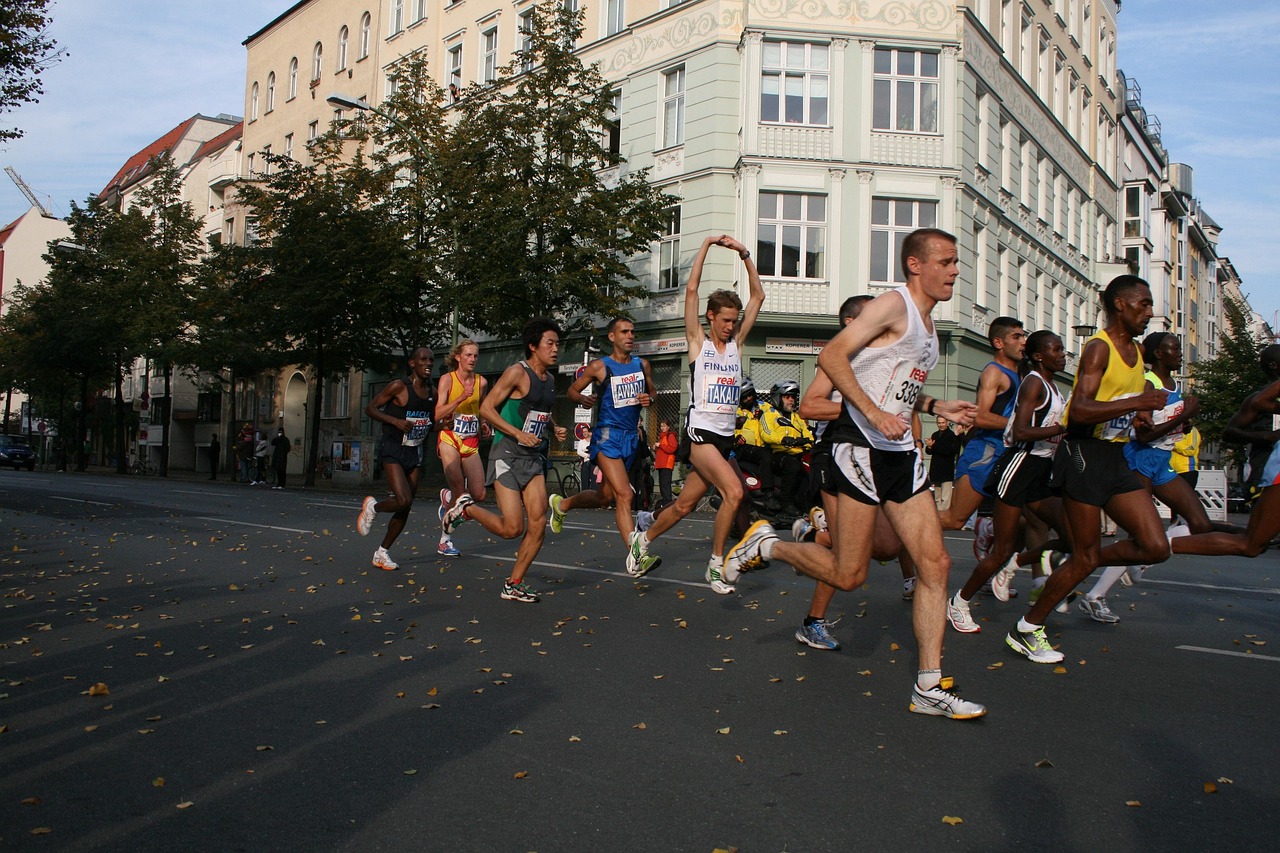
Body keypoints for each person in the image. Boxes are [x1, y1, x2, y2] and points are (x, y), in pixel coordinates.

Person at [722, 228, 986, 720]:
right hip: (860, 449)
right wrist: (870, 412)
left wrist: (934, 404)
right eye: (947, 262)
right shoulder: (892, 305)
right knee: (850, 574)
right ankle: (768, 546)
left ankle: (929, 685)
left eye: (956, 262)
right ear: (915, 265)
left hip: (900, 453)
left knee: (936, 566)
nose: (955, 271)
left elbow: (896, 388)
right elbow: (830, 357)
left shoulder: (928, 326)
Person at [1003, 275, 1172, 663]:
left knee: (1155, 546)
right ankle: (1027, 629)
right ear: (1120, 305)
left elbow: (1126, 405)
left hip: (1114, 457)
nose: (1149, 312)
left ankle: (1072, 557)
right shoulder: (1099, 348)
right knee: (1085, 557)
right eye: (1143, 304)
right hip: (1083, 455)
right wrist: (1136, 403)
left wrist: (1143, 416)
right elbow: (1078, 411)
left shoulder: (1137, 355)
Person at [627, 235, 764, 594]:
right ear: (711, 317)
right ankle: (716, 566)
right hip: (700, 435)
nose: (730, 326)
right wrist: (706, 244)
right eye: (725, 320)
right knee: (734, 493)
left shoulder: (736, 345)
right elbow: (690, 290)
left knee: (685, 505)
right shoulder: (698, 343)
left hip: (722, 440)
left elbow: (759, 296)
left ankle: (644, 537)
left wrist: (744, 254)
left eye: (735, 321)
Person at [1079, 332, 1239, 619]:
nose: (1179, 353)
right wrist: (1181, 416)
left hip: (1162, 462)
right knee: (1138, 535)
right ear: (1157, 354)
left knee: (1200, 523)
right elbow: (1143, 435)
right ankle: (1095, 594)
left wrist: (1186, 423)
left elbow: (1173, 428)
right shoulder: (1148, 383)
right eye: (1173, 349)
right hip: (1138, 460)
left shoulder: (1175, 385)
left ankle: (1147, 554)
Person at [792, 294, 918, 651]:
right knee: (849, 558)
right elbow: (809, 406)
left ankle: (816, 536)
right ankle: (812, 622)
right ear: (852, 324)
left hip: (876, 456)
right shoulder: (838, 358)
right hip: (834, 456)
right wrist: (864, 410)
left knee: (887, 546)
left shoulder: (882, 361)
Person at [947, 330, 1069, 633]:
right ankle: (959, 603)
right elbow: (1020, 432)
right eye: (1057, 349)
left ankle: (1014, 566)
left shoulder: (1054, 388)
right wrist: (1061, 428)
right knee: (999, 548)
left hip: (1041, 470)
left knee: (1071, 535)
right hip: (1018, 468)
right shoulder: (1032, 383)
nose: (1063, 355)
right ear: (1039, 355)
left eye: (1063, 349)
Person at [442, 318, 568, 603]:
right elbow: (486, 409)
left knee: (538, 525)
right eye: (550, 343)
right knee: (512, 529)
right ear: (533, 346)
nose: (555, 349)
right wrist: (517, 434)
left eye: (557, 344)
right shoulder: (517, 373)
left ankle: (513, 584)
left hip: (532, 459)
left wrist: (553, 426)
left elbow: (538, 412)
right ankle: (467, 510)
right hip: (507, 456)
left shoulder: (550, 380)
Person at [548, 317, 660, 576]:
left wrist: (649, 398)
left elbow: (654, 393)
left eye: (633, 331)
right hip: (607, 437)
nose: (630, 335)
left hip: (631, 438)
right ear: (612, 337)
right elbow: (573, 391)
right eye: (624, 331)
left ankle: (563, 505)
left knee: (605, 496)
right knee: (625, 494)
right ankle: (635, 556)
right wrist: (584, 399)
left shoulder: (642, 365)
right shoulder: (599, 366)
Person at [1156, 344, 1280, 560]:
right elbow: (1231, 430)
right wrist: (1265, 437)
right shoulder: (1259, 398)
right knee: (1251, 543)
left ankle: (1165, 542)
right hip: (1266, 472)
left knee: (1252, 543)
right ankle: (1158, 545)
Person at [937, 318, 1027, 558]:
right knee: (955, 519)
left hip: (1010, 455)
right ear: (999, 342)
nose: (1023, 342)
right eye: (1016, 337)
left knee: (1024, 522)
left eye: (1023, 336)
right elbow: (980, 418)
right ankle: (903, 526)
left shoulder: (1021, 373)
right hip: (985, 454)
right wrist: (1019, 426)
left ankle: (990, 550)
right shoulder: (994, 373)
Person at [355, 347, 437, 571]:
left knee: (405, 506)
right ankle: (373, 507)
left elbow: (428, 424)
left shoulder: (433, 391)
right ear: (412, 363)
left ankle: (382, 553)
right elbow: (370, 408)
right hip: (392, 448)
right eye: (423, 360)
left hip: (413, 451)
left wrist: (442, 426)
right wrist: (395, 421)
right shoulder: (399, 386)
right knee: (402, 499)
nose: (428, 363)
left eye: (431, 359)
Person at [435, 339, 490, 558]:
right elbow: (438, 413)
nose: (473, 359)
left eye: (476, 355)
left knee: (479, 494)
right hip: (449, 438)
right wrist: (460, 397)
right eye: (468, 355)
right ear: (458, 357)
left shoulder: (482, 382)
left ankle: (447, 499)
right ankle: (444, 541)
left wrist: (484, 423)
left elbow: (482, 408)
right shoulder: (447, 380)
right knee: (461, 494)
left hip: (470, 442)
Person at [760, 379, 815, 514]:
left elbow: (809, 436)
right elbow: (766, 434)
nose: (791, 400)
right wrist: (784, 439)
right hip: (777, 454)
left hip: (798, 454)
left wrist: (810, 441)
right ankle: (786, 503)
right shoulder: (769, 415)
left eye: (793, 397)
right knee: (793, 465)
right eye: (787, 397)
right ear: (777, 398)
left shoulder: (797, 418)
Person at [926, 416, 960, 511]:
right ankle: (939, 514)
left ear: (947, 422)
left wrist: (934, 446)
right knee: (937, 496)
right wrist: (929, 447)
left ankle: (944, 515)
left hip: (946, 468)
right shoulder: (935, 435)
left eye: (943, 423)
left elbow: (950, 450)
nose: (941, 425)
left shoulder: (951, 435)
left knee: (946, 496)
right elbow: (929, 451)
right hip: (936, 468)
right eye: (939, 423)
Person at [1171, 422, 1201, 491]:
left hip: (1187, 470)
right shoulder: (1172, 430)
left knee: (1185, 499)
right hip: (1171, 471)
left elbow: (1191, 450)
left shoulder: (1192, 430)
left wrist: (1173, 444)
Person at [653, 419, 677, 505]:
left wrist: (661, 446)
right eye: (661, 426)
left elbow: (672, 448)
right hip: (661, 463)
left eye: (664, 426)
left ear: (668, 427)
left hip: (667, 463)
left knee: (665, 484)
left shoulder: (670, 436)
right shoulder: (662, 437)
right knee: (662, 484)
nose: (662, 428)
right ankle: (665, 501)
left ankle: (667, 501)